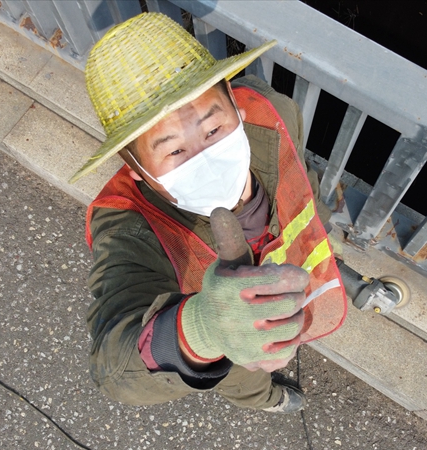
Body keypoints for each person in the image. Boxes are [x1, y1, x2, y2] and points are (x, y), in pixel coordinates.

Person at [69, 13, 347, 413]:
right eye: (174, 150)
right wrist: (202, 331)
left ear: (236, 107)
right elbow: (112, 367)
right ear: (137, 169)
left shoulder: (272, 113)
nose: (206, 157)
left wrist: (319, 225)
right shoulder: (127, 226)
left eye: (213, 130)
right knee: (246, 377)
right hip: (233, 354)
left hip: (299, 277)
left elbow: (301, 180)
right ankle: (268, 399)